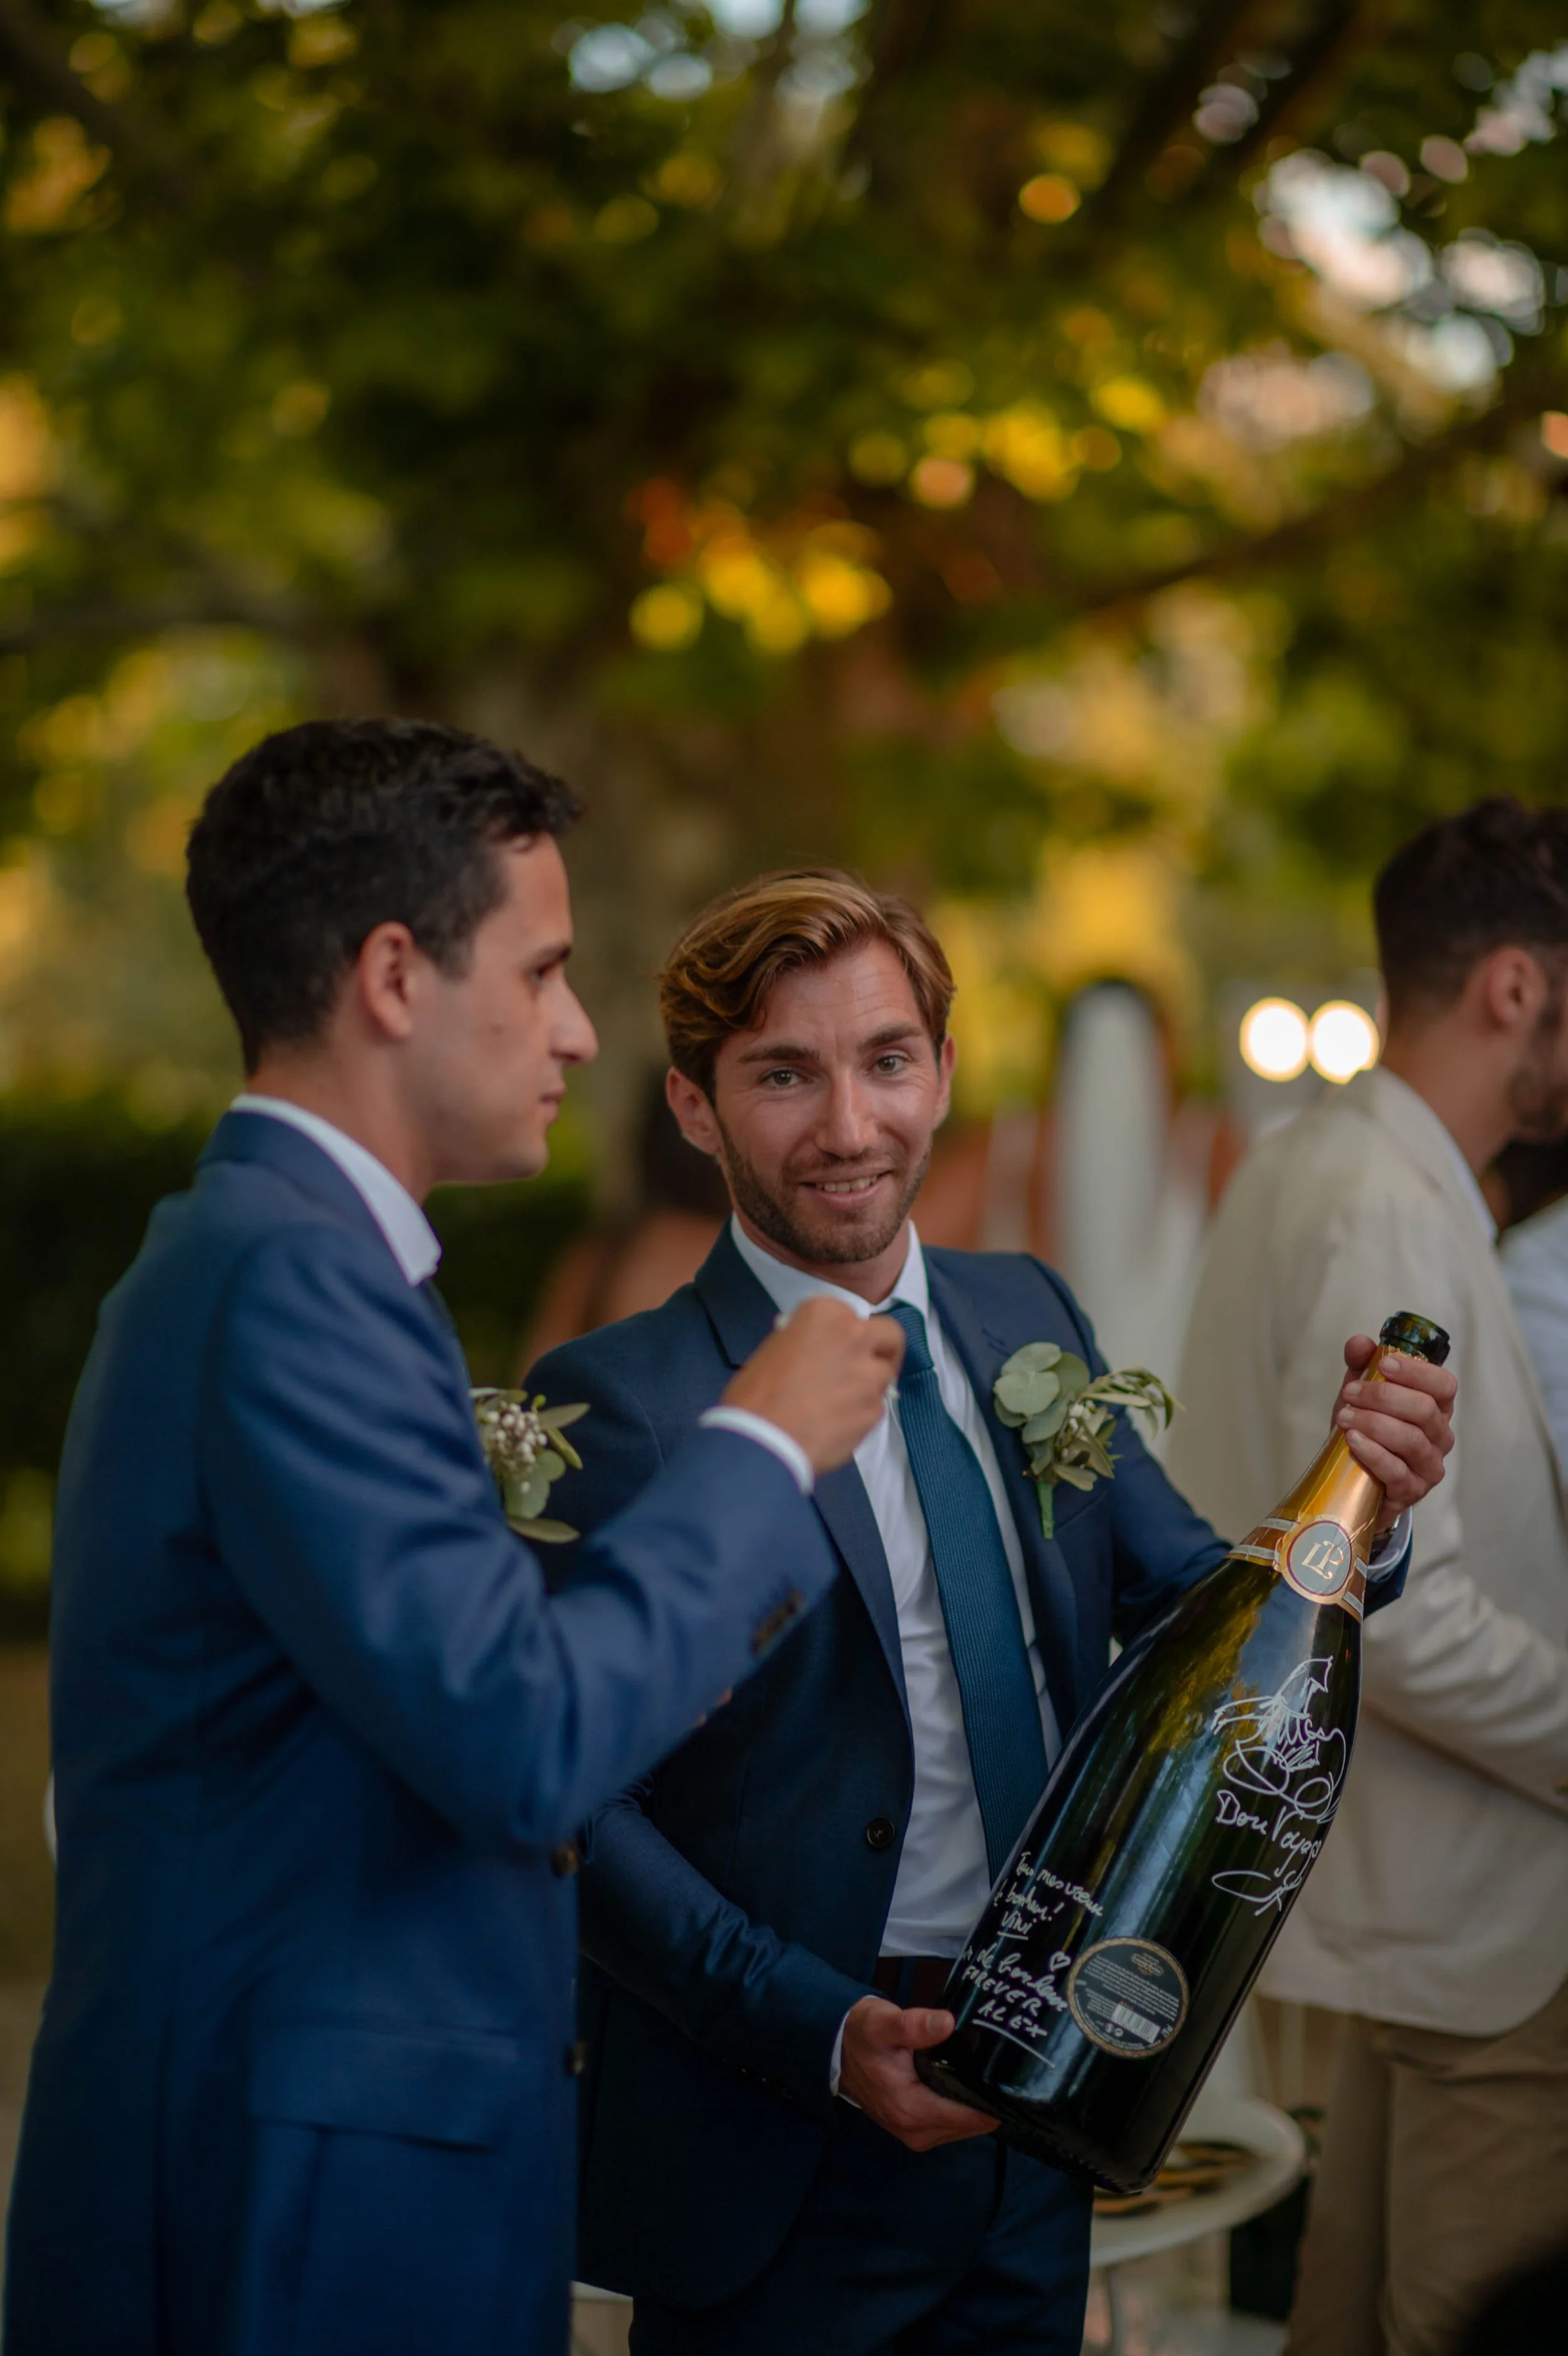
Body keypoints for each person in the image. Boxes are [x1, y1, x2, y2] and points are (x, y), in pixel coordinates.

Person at [1, 724, 904, 2356]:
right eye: (545, 968)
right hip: (293, 2212)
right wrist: (762, 1442)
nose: (574, 1029)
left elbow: (444, 1685)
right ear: (396, 974)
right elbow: (519, 1734)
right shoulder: (290, 1282)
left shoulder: (300, 1261)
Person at [527, 868, 1456, 2356]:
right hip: (766, 2132)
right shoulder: (617, 1401)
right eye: (783, 1074)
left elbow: (1186, 1607)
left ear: (944, 1074)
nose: (848, 1126)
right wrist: (814, 2033)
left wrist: (1368, 1511)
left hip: (1037, 2085)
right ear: (696, 1108)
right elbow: (569, 1807)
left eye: (886, 1061)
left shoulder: (1027, 1311)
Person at [1169, 798, 1568, 2356]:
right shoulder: (1382, 1203)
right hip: (1465, 1924)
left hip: (1420, 1912)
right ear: (1516, 989)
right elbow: (1384, 1608)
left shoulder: (1328, 1164)